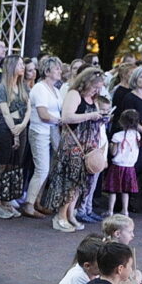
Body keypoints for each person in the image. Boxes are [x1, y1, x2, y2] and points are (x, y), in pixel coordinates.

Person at [44, 67, 106, 232]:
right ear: (86, 83)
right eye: (94, 87)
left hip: (88, 146)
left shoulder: (93, 98)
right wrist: (90, 116)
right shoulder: (74, 95)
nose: (97, 90)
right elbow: (66, 117)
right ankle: (60, 216)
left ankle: (71, 214)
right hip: (73, 145)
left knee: (80, 183)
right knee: (69, 182)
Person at [23, 57, 64, 218]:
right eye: (57, 69)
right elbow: (43, 114)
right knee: (42, 168)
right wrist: (60, 120)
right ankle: (29, 204)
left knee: (47, 169)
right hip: (40, 131)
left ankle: (37, 201)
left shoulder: (55, 89)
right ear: (47, 71)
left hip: (52, 132)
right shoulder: (40, 88)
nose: (60, 71)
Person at [0, 55, 30, 218]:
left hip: (21, 129)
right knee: (1, 165)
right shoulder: (2, 88)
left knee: (14, 166)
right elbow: (5, 112)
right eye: (20, 64)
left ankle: (7, 199)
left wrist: (21, 127)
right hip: (6, 130)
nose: (23, 67)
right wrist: (14, 130)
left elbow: (28, 109)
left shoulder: (23, 87)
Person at [103, 109, 141, 216]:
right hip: (130, 166)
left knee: (113, 190)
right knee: (125, 190)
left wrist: (111, 146)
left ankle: (110, 210)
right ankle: (125, 210)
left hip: (117, 166)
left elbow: (114, 152)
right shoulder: (137, 135)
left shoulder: (117, 136)